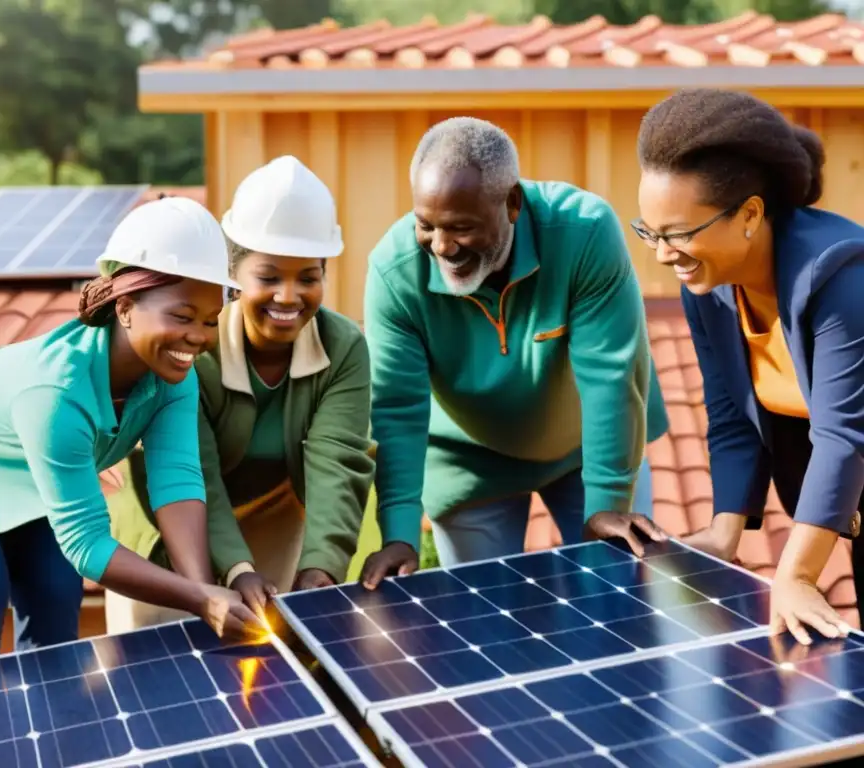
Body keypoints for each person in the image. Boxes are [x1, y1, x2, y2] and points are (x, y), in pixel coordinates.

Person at [0, 196, 262, 669]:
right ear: (124, 307)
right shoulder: (58, 391)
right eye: (182, 317)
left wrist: (204, 591)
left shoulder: (174, 378)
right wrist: (200, 600)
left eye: (209, 321)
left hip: (26, 474)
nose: (198, 337)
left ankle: (49, 727)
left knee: (55, 592)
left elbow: (177, 483)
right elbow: (85, 545)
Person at [360, 116, 670, 587]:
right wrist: (399, 534)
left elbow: (611, 374)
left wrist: (607, 501)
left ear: (512, 204)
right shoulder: (393, 271)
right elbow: (397, 410)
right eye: (426, 225)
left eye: (461, 227)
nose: (442, 246)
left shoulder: (584, 232)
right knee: (486, 619)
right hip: (468, 463)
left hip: (587, 449)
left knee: (620, 591)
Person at [634, 88, 863, 645]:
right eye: (651, 234)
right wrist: (722, 532)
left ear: (750, 215)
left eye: (680, 234)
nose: (664, 254)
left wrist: (799, 573)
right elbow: (732, 413)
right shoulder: (710, 287)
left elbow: (843, 434)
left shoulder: (842, 275)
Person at [107, 156, 374, 632]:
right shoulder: (193, 350)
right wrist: (235, 567)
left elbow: (338, 463)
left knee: (273, 677)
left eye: (308, 277)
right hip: (176, 527)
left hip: (275, 530)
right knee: (162, 677)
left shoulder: (344, 349)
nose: (288, 296)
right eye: (268, 277)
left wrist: (323, 567)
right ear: (233, 275)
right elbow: (192, 474)